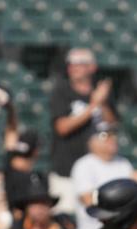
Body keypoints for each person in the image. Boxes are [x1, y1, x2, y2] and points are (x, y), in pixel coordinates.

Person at [50, 48, 117, 214]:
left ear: (92, 67)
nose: (74, 68)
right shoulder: (62, 91)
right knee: (66, 219)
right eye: (71, 64)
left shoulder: (100, 93)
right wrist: (93, 105)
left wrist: (101, 102)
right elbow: (62, 127)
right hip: (67, 171)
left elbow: (112, 125)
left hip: (98, 171)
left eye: (79, 64)